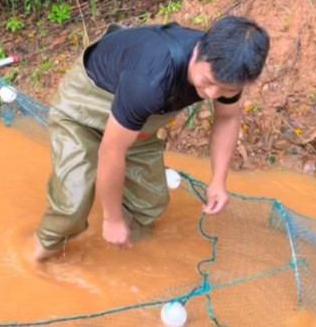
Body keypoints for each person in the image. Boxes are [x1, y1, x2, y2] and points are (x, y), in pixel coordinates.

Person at [33, 16, 270, 261]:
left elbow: (228, 119)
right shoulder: (153, 76)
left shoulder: (231, 69)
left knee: (149, 203)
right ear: (198, 50)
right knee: (72, 206)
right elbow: (110, 152)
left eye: (227, 90)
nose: (213, 94)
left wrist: (218, 182)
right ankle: (33, 259)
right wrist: (111, 219)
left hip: (136, 123)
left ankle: (122, 263)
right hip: (82, 113)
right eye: (207, 82)